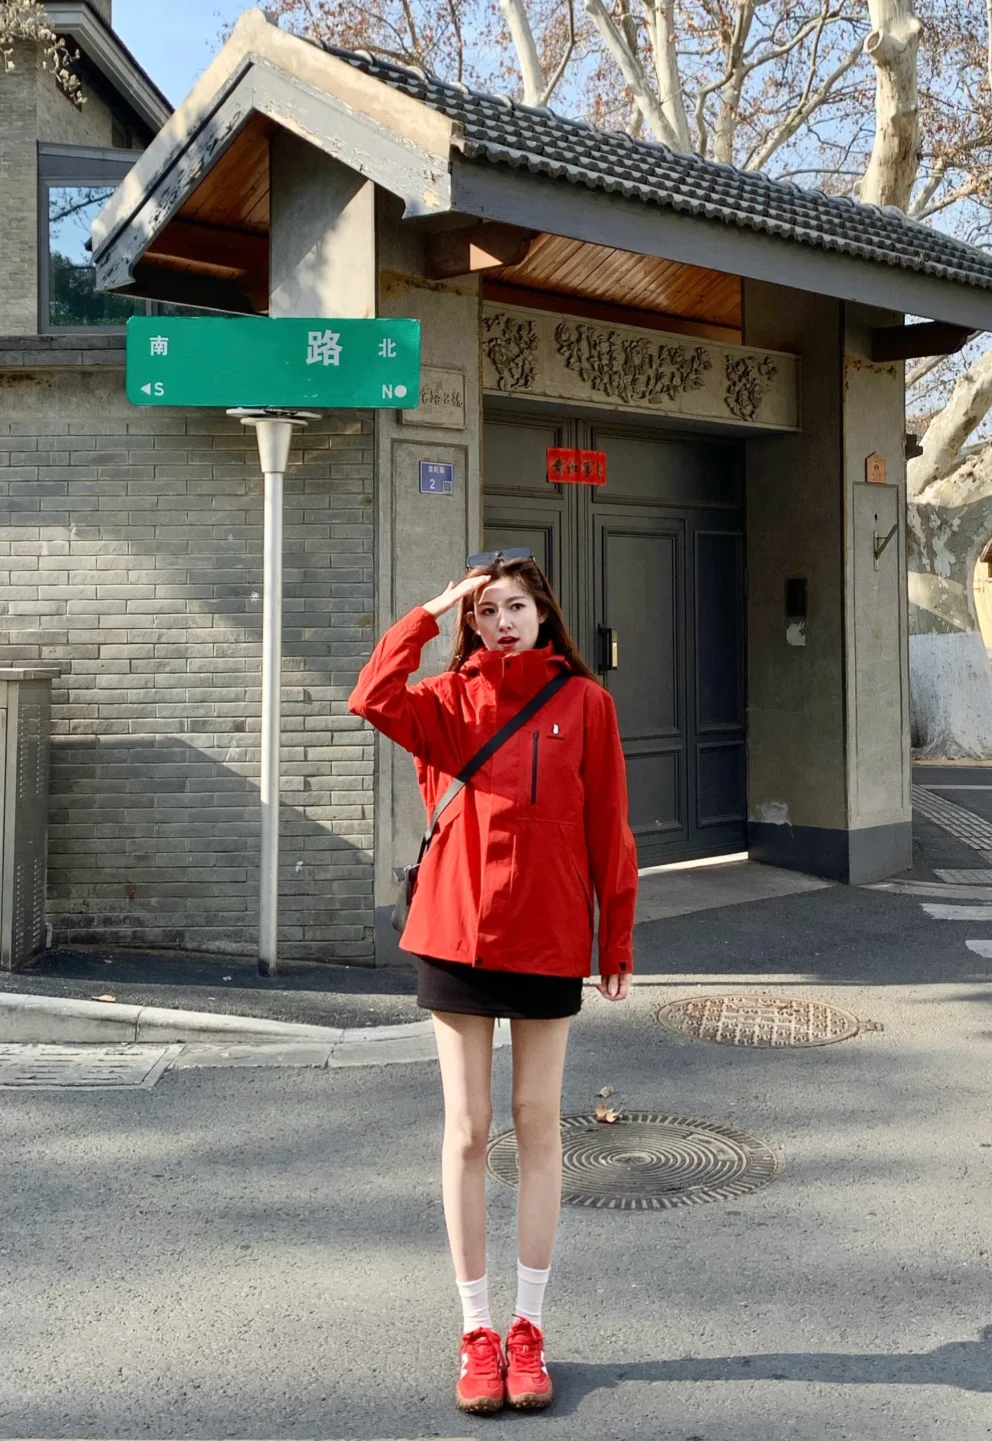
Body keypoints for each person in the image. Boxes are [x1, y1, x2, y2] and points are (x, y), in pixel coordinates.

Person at [348, 550, 638, 1416]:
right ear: (470, 624)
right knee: (470, 1129)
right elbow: (371, 694)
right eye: (487, 610)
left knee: (538, 1125)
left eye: (515, 606)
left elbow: (609, 824)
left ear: (543, 613)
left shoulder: (586, 703)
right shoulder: (446, 701)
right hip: (456, 934)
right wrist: (433, 608)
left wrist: (616, 933)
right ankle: (477, 1329)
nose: (502, 621)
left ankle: (528, 1325)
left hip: (548, 935)